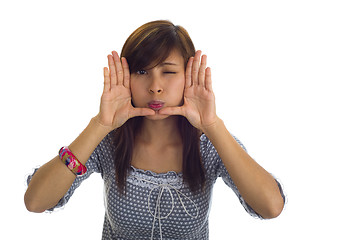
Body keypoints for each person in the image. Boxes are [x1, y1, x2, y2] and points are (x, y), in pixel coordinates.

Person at [24, 20, 285, 239]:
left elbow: (271, 207)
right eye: (141, 71)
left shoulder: (210, 146)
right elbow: (36, 202)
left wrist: (213, 126)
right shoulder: (107, 142)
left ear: (188, 76)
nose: (155, 86)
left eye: (168, 72)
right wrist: (100, 125)